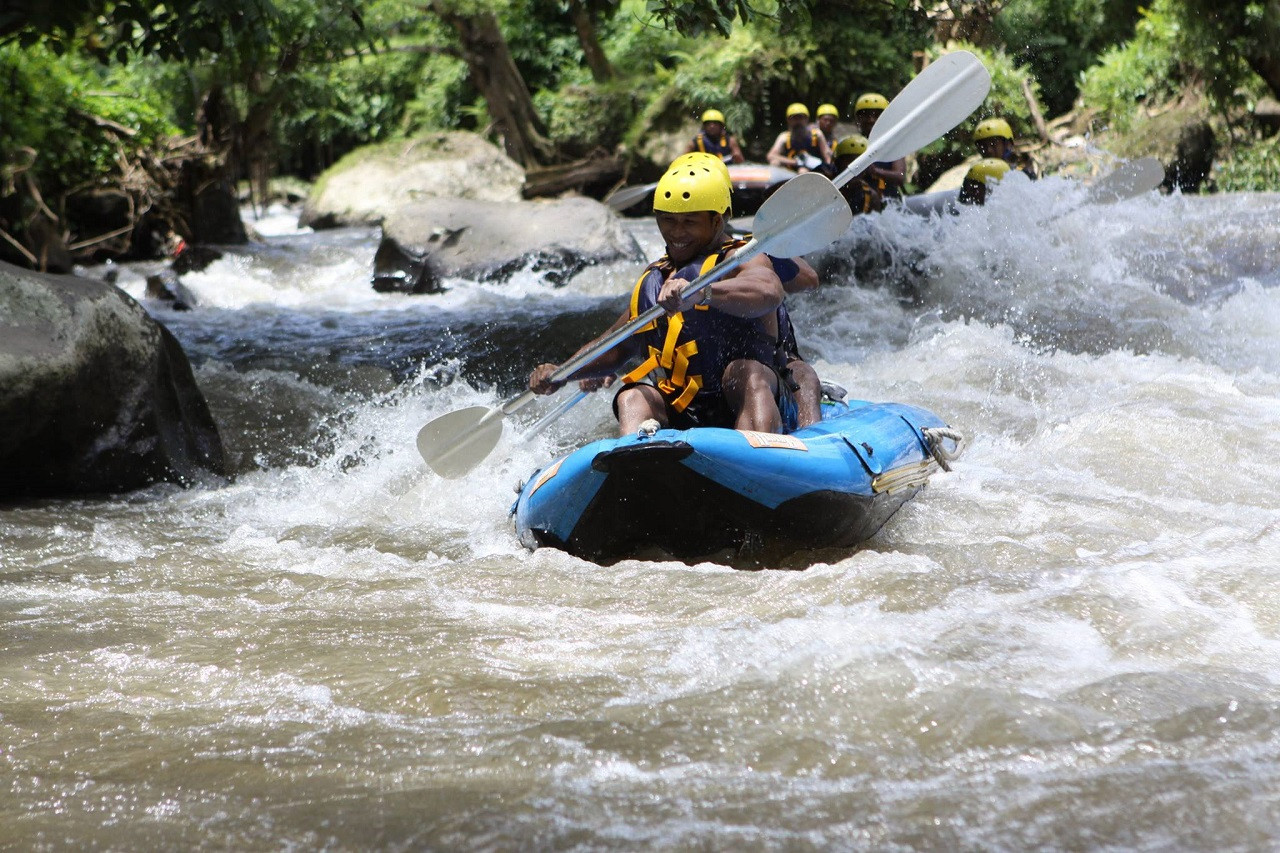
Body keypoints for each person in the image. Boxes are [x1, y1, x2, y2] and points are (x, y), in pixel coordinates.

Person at [528, 160, 794, 435]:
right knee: (631, 395)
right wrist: (563, 373)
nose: (677, 232)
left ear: (716, 220)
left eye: (689, 222)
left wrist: (704, 293)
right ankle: (636, 460)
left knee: (745, 373)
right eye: (668, 220)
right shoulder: (655, 278)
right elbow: (616, 344)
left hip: (757, 401)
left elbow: (769, 291)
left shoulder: (741, 258)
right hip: (689, 410)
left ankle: (755, 457)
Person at [853, 92, 906, 200]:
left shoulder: (893, 144)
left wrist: (875, 171)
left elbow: (900, 177)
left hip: (888, 202)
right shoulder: (851, 144)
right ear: (858, 119)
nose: (871, 119)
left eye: (877, 115)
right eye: (866, 115)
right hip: (861, 202)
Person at [767, 103, 832, 175]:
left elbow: (827, 157)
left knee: (802, 171)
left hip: (814, 172)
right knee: (774, 163)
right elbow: (771, 156)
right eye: (794, 118)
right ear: (788, 120)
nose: (798, 122)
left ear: (806, 119)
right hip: (789, 171)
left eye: (800, 118)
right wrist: (795, 162)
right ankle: (777, 186)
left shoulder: (817, 135)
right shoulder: (784, 137)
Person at [830, 134, 883, 215]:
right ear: (838, 163)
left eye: (860, 163)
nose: (855, 168)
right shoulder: (823, 185)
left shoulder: (871, 197)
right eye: (850, 161)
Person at [972, 118, 1038, 179]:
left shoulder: (1022, 175)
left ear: (1008, 144)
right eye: (983, 146)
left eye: (993, 144)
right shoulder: (977, 176)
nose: (988, 150)